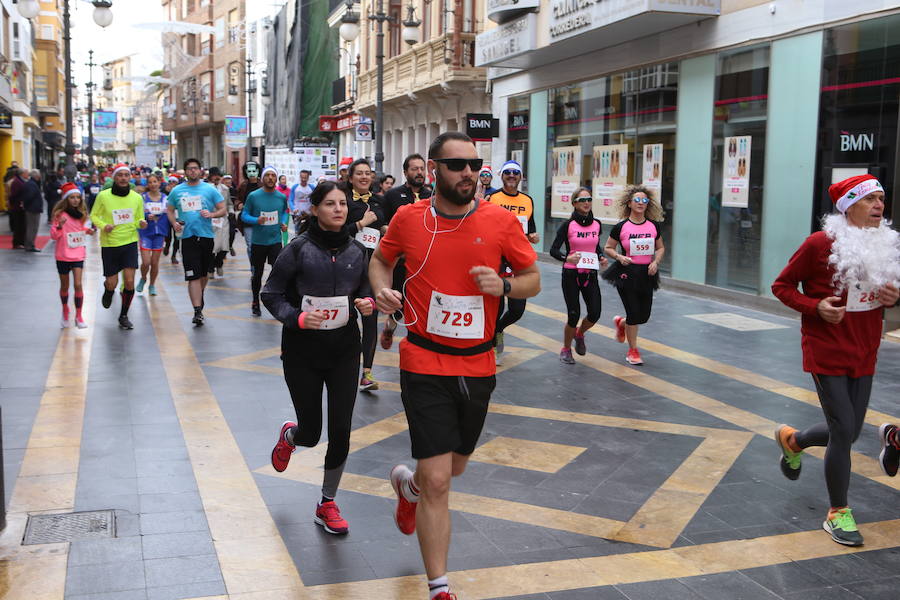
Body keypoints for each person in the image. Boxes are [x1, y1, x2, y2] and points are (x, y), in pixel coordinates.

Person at [369, 132, 540, 600]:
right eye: (458, 165)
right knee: (441, 481)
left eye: (474, 164)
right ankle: (439, 586)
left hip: (478, 363)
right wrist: (384, 290)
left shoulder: (500, 222)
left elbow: (532, 280)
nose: (469, 173)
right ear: (435, 168)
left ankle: (409, 488)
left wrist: (503, 288)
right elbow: (381, 261)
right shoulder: (408, 218)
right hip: (422, 358)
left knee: (453, 468)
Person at [772, 174, 900, 547]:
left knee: (851, 430)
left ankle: (793, 441)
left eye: (881, 198)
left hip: (865, 348)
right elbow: (781, 286)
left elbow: (888, 293)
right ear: (849, 206)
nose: (879, 205)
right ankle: (837, 512)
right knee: (844, 430)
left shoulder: (887, 242)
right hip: (826, 348)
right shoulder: (819, 244)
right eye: (870, 199)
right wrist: (815, 307)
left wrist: (895, 297)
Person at [262, 180, 375, 535]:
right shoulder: (297, 249)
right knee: (312, 432)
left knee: (341, 430)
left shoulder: (358, 251)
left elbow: (368, 291)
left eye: (342, 203)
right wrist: (295, 317)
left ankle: (327, 502)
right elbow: (271, 293)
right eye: (329, 204)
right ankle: (291, 437)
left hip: (344, 350)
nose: (338, 209)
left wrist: (367, 303)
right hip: (302, 352)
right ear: (314, 209)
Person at [602, 185, 665, 366]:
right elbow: (608, 248)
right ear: (629, 203)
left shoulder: (653, 226)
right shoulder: (621, 227)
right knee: (633, 312)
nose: (640, 203)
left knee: (643, 316)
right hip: (627, 273)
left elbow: (660, 247)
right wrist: (619, 257)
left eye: (644, 200)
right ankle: (633, 350)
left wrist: (655, 262)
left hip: (647, 273)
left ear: (648, 204)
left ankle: (622, 323)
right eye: (637, 200)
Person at [486, 160, 539, 365]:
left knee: (517, 309)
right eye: (507, 172)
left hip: (518, 259)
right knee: (495, 308)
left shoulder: (527, 200)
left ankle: (499, 329)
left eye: (515, 173)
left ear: (521, 177)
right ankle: (491, 345)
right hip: (496, 258)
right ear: (502, 175)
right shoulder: (493, 198)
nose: (511, 176)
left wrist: (533, 237)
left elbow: (530, 228)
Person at [549, 187, 608, 364]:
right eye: (582, 200)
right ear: (574, 203)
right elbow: (553, 250)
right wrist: (568, 257)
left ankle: (579, 333)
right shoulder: (568, 225)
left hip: (589, 274)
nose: (586, 203)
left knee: (595, 313)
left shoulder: (597, 224)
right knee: (573, 315)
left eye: (589, 199)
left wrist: (601, 257)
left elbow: (595, 246)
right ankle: (566, 349)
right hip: (571, 274)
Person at [167, 158, 228, 327]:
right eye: (189, 169)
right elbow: (170, 210)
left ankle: (199, 296)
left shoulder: (209, 189)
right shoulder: (177, 191)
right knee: (192, 275)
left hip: (207, 236)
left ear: (200, 171)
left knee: (203, 275)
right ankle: (197, 310)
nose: (192, 171)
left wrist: (212, 214)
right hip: (187, 238)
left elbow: (223, 208)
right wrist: (174, 223)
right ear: (185, 172)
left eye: (195, 168)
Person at [380, 153, 431, 350]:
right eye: (414, 169)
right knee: (399, 302)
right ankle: (389, 327)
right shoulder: (393, 195)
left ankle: (417, 340)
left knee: (420, 302)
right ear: (405, 172)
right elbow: (382, 223)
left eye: (422, 169)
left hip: (425, 260)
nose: (419, 173)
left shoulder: (432, 195)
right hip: (400, 261)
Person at [90, 163, 148, 330]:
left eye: (126, 175)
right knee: (112, 283)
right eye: (120, 175)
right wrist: (103, 225)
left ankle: (123, 315)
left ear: (130, 178)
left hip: (129, 242)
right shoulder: (103, 196)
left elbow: (138, 219)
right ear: (114, 178)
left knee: (129, 282)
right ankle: (108, 291)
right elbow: (94, 215)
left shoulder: (137, 198)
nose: (123, 178)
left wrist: (142, 223)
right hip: (110, 244)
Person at [344, 158, 386, 391]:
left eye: (367, 173)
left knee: (371, 320)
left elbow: (384, 228)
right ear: (351, 178)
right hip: (346, 268)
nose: (363, 177)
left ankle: (367, 374)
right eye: (359, 173)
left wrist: (384, 229)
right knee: (346, 320)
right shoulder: (343, 201)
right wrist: (361, 223)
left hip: (372, 269)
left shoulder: (380, 201)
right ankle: (344, 367)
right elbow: (337, 231)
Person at [241, 166, 290, 316]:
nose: (270, 178)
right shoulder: (254, 196)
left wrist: (283, 222)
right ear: (262, 178)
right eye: (267, 175)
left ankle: (277, 300)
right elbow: (244, 215)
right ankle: (255, 301)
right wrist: (256, 220)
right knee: (257, 274)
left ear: (276, 179)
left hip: (275, 241)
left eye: (273, 175)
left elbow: (284, 212)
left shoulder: (281, 197)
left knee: (278, 271)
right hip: (258, 242)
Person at [50, 182, 93, 328]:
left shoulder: (82, 215)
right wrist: (60, 226)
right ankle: (65, 310)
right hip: (62, 254)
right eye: (72, 197)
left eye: (78, 197)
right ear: (66, 199)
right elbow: (53, 236)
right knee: (65, 286)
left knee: (78, 284)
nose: (75, 200)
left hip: (78, 254)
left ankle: (79, 316)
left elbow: (83, 228)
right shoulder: (59, 215)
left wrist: (89, 231)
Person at [136, 173, 170, 296]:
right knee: (146, 262)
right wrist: (146, 216)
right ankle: (143, 278)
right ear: (147, 184)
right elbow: (137, 214)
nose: (153, 184)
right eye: (150, 182)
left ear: (159, 183)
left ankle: (152, 285)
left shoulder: (165, 198)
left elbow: (170, 213)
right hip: (146, 233)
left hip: (159, 233)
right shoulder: (143, 198)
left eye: (155, 181)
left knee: (155, 263)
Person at [207, 167, 231, 279]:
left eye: (219, 175)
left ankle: (219, 263)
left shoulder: (225, 189)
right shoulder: (206, 188)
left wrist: (231, 212)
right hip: (210, 219)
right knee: (212, 247)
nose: (217, 177)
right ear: (210, 177)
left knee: (224, 246)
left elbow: (229, 203)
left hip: (223, 220)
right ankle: (210, 268)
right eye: (215, 175)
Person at [237, 161, 261, 265]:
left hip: (261, 220)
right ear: (245, 172)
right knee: (250, 246)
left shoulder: (263, 184)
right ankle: (254, 268)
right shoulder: (243, 185)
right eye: (249, 171)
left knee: (259, 246)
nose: (251, 173)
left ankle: (258, 266)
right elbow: (237, 199)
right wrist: (239, 204)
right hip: (247, 220)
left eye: (254, 171)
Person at [23, 170, 45, 252]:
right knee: (32, 228)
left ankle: (29, 244)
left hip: (32, 208)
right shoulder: (32, 184)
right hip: (33, 209)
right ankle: (30, 245)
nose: (40, 177)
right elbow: (29, 197)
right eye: (39, 175)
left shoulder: (31, 183)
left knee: (32, 227)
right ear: (36, 176)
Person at [7, 168, 28, 249]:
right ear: (22, 174)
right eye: (26, 173)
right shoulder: (17, 182)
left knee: (21, 225)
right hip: (17, 207)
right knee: (18, 226)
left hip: (19, 206)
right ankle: (17, 243)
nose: (27, 175)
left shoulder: (19, 181)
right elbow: (13, 195)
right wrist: (19, 202)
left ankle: (21, 242)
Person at [289, 169, 315, 234]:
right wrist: (293, 208)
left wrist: (313, 209)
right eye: (302, 177)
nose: (303, 179)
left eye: (305, 178)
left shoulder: (312, 187)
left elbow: (315, 200)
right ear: (300, 177)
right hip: (297, 214)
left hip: (308, 214)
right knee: (297, 233)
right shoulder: (295, 187)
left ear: (308, 178)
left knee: (308, 233)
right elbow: (290, 200)